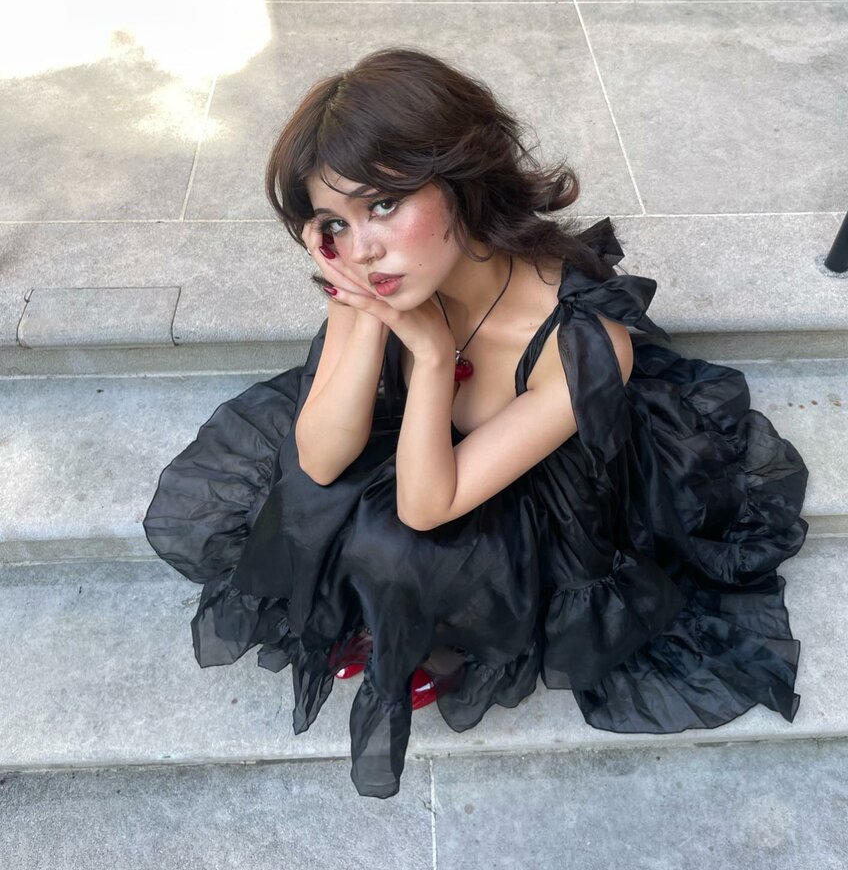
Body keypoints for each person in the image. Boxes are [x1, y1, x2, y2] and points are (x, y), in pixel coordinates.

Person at [143, 47, 809, 800]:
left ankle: (437, 633)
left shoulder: (583, 344)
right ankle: (388, 611)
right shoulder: (377, 273)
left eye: (383, 205)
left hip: (549, 500)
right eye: (334, 223)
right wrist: (361, 313)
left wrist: (432, 358)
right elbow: (320, 459)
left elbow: (427, 505)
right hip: (429, 454)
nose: (362, 249)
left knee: (396, 541)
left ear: (459, 177)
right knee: (304, 486)